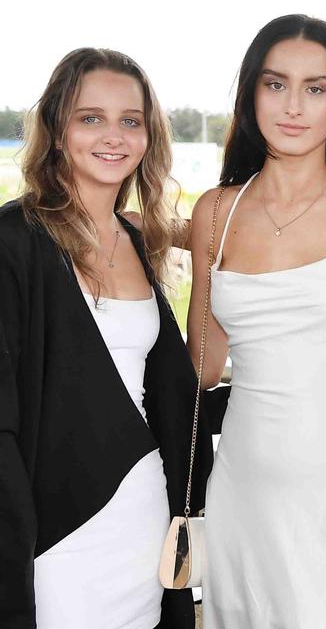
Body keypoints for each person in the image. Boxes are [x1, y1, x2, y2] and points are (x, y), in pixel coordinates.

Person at [187, 15, 326, 628]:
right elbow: (202, 367)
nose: (293, 106)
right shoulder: (215, 213)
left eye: (315, 88)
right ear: (250, 94)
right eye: (275, 84)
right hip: (240, 489)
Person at [0, 48, 213, 628]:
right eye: (90, 117)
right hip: (55, 529)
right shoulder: (13, 242)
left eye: (131, 120)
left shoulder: (136, 239)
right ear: (56, 128)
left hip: (143, 513)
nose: (113, 135)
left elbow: (164, 391)